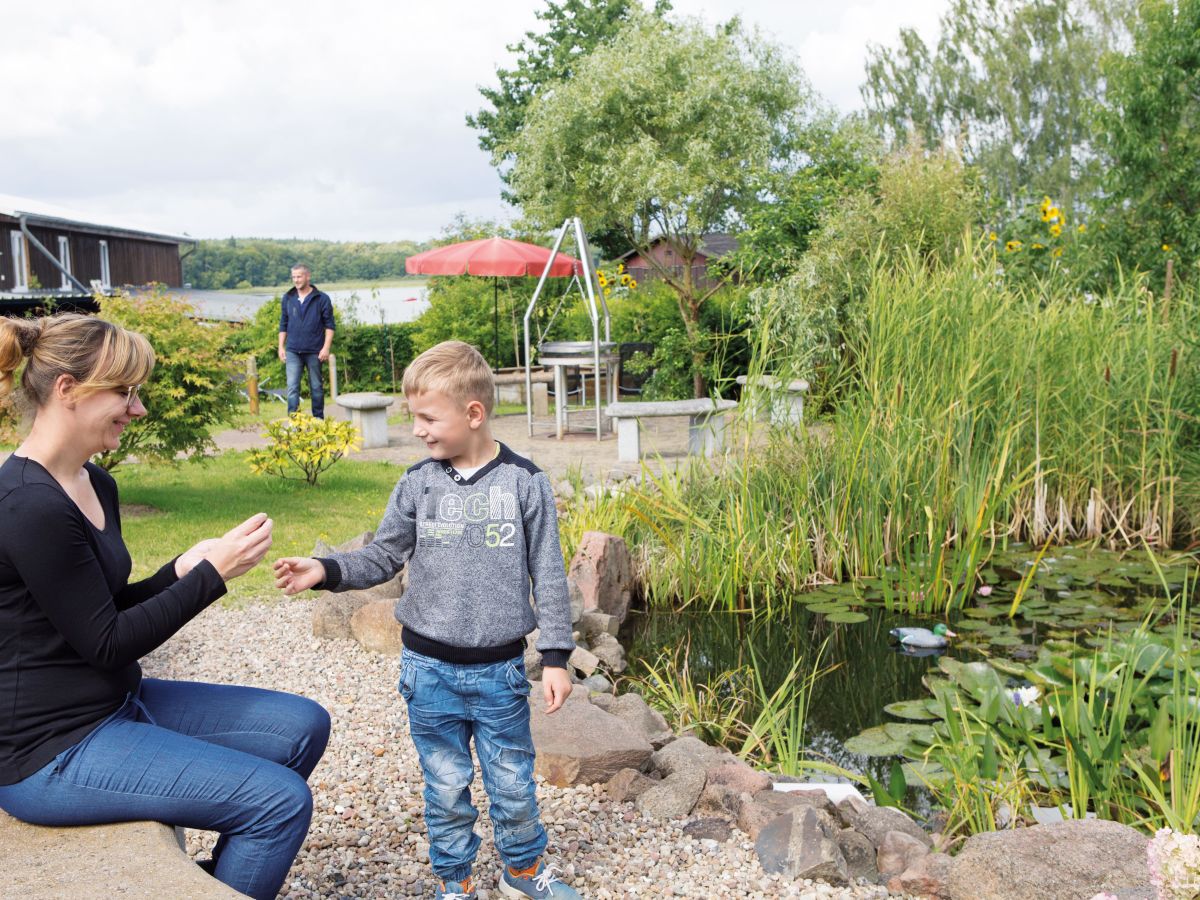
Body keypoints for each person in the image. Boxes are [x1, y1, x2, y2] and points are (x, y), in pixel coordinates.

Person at [0, 313, 331, 900]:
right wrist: (210, 576)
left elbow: (101, 609)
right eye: (124, 392)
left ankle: (214, 883)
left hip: (114, 703)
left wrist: (177, 570)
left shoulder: (93, 483)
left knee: (302, 726)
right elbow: (108, 642)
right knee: (277, 803)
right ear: (67, 389)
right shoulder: (27, 503)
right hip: (50, 748)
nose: (139, 408)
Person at [274, 341, 582, 900]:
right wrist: (325, 568)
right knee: (445, 786)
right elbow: (383, 555)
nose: (416, 429)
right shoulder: (419, 482)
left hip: (500, 673)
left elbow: (551, 574)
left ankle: (522, 872)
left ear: (473, 413)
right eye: (413, 416)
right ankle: (455, 882)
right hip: (428, 671)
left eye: (426, 417)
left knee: (512, 782)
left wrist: (557, 656)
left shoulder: (524, 483)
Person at [278, 264, 335, 418]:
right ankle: (294, 423)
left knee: (316, 387)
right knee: (292, 388)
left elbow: (329, 326)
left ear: (308, 276)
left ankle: (318, 421)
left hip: (315, 351)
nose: (296, 280)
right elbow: (283, 324)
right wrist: (281, 347)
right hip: (293, 351)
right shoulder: (288, 298)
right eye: (294, 277)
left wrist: (326, 348)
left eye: (299, 276)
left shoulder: (322, 298)